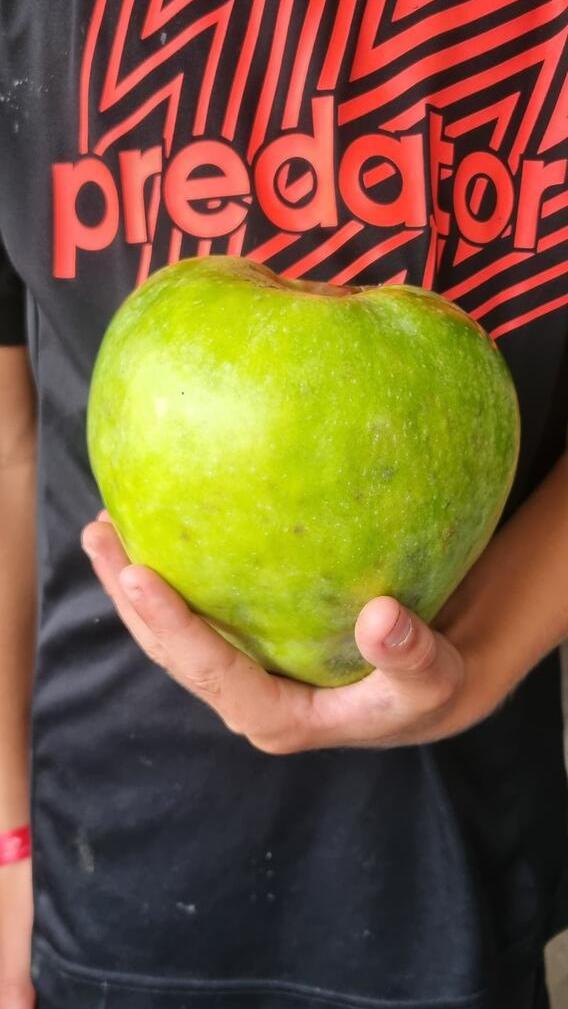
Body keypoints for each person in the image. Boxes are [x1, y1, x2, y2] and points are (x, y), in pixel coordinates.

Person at [1, 3, 567, 1008]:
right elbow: (6, 445)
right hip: (99, 865)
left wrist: (478, 656)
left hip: (455, 877)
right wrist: (4, 846)